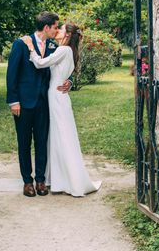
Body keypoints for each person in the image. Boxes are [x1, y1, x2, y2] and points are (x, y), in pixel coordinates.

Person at [21, 23, 101, 197]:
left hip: (56, 97)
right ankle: (60, 177)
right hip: (58, 97)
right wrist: (69, 81)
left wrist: (30, 48)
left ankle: (68, 179)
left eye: (61, 28)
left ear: (67, 34)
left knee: (61, 136)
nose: (58, 30)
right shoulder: (67, 50)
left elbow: (41, 64)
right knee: (59, 136)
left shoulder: (63, 50)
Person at [6, 12, 72, 197]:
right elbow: (11, 74)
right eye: (55, 27)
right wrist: (13, 101)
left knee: (42, 142)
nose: (57, 30)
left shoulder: (54, 46)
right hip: (23, 103)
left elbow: (63, 66)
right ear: (46, 27)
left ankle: (41, 180)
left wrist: (70, 81)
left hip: (45, 103)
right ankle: (27, 181)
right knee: (24, 143)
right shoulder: (21, 44)